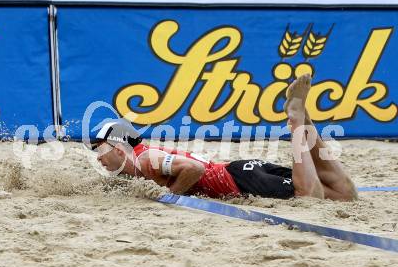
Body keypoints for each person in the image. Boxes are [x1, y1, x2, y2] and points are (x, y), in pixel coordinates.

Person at [91, 74, 357, 201]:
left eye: (100, 149)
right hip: (243, 171)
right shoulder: (136, 164)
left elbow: (193, 169)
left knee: (309, 195)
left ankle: (297, 121)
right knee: (345, 194)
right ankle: (305, 118)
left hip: (239, 181)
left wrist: (168, 196)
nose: (97, 157)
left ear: (118, 147)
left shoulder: (148, 160)